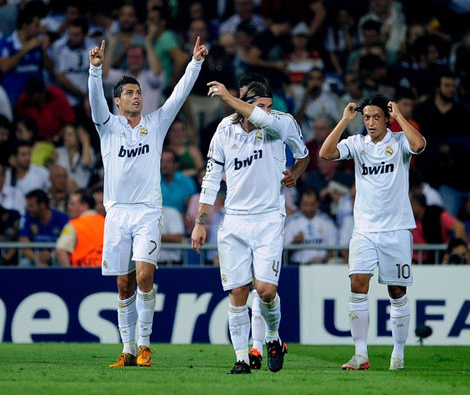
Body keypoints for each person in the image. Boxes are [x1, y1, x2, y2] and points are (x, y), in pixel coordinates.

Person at [88, 37, 207, 367]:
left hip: (147, 212)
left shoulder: (155, 124)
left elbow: (179, 95)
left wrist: (195, 62)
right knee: (123, 284)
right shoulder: (107, 126)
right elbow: (95, 102)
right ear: (117, 101)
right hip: (116, 214)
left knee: (143, 276)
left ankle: (144, 345)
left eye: (139, 93)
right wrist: (95, 71)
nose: (136, 97)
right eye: (129, 93)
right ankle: (126, 350)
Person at [191, 80, 309, 374]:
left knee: (266, 290)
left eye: (270, 106)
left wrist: (295, 172)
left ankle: (272, 337)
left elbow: (304, 154)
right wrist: (200, 222)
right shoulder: (224, 130)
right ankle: (242, 358)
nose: (268, 112)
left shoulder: (280, 124)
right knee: (238, 292)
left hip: (269, 219)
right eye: (261, 106)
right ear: (245, 106)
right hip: (234, 221)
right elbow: (210, 179)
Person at [319, 94, 426, 371]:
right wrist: (344, 121)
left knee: (396, 290)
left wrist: (400, 117)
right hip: (364, 229)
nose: (370, 122)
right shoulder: (357, 144)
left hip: (396, 228)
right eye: (366, 117)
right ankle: (360, 354)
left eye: (376, 117)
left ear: (386, 119)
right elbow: (326, 153)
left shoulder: (399, 141)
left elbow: (420, 144)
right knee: (357, 283)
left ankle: (398, 354)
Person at [19, 188, 69, 267]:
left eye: (31, 206)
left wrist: (52, 256)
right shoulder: (26, 217)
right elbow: (24, 245)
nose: (28, 209)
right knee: (24, 263)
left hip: (56, 258)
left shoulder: (62, 218)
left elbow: (68, 244)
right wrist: (37, 260)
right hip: (35, 259)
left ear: (42, 206)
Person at [55, 190, 105, 267]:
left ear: (84, 206)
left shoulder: (74, 225)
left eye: (72, 204)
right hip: (106, 271)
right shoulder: (106, 223)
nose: (68, 207)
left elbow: (60, 250)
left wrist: (69, 273)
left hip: (82, 273)